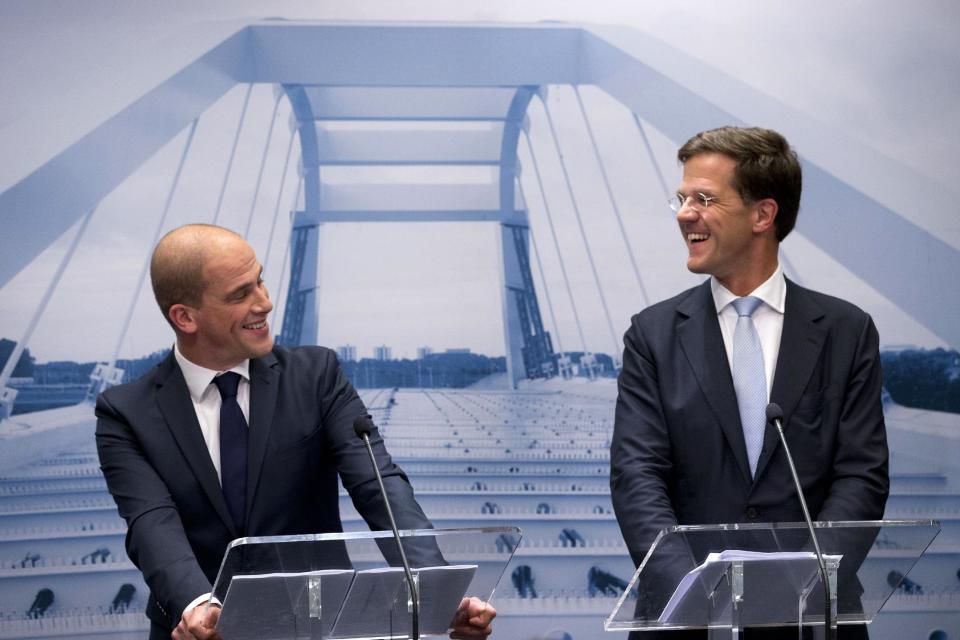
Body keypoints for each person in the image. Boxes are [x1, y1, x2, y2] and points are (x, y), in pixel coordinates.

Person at [96, 223, 496, 640]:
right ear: (185, 317)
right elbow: (151, 522)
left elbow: (378, 484)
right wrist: (196, 604)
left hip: (318, 626)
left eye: (260, 282)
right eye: (240, 294)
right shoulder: (124, 413)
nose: (265, 303)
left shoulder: (317, 376)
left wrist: (433, 584)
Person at [610, 127, 889, 638]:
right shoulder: (652, 335)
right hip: (685, 621)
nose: (683, 213)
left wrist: (800, 589)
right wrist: (693, 595)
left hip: (815, 620)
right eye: (681, 197)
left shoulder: (846, 331)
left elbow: (862, 478)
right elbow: (637, 477)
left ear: (763, 214)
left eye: (704, 198)